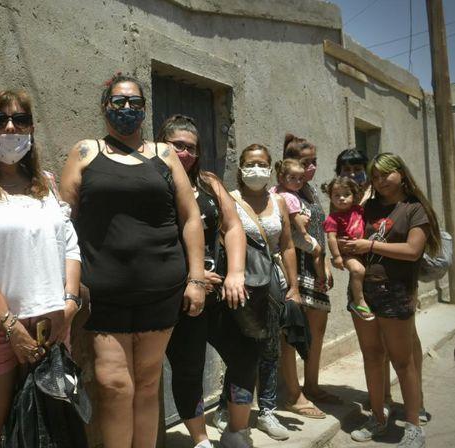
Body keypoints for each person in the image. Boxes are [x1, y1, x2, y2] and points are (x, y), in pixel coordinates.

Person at [59, 74, 206, 447]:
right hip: (104, 294)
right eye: (119, 101)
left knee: (147, 383)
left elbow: (190, 218)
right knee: (113, 385)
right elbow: (62, 221)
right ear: (105, 105)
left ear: (144, 109)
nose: (127, 109)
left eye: (135, 103)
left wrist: (196, 278)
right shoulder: (84, 152)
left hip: (163, 290)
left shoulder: (165, 154)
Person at [0, 89, 82, 448]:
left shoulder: (47, 183)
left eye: (21, 120)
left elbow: (70, 245)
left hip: (53, 324)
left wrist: (69, 305)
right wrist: (12, 328)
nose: (10, 127)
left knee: (48, 426)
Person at [156, 115, 253, 447]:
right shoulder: (153, 182)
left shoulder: (209, 182)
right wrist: (191, 276)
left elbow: (233, 226)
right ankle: (200, 439)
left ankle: (237, 430)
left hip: (220, 292)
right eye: (177, 146)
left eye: (191, 148)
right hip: (182, 296)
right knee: (188, 369)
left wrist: (236, 273)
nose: (185, 153)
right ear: (162, 145)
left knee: (245, 353)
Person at [339, 153, 441, 448]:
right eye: (375, 176)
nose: (380, 181)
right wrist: (343, 252)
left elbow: (412, 251)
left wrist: (369, 244)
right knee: (372, 357)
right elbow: (343, 230)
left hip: (395, 291)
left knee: (402, 360)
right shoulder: (366, 208)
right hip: (363, 292)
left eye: (385, 174)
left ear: (401, 173)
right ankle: (378, 419)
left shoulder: (414, 209)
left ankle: (412, 425)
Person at [224, 143, 301, 445]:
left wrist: (293, 287)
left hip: (272, 287)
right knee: (239, 351)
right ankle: (225, 407)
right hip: (240, 287)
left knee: (270, 350)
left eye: (262, 163)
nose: (256, 169)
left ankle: (267, 409)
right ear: (241, 168)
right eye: (250, 163)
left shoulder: (279, 201)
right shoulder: (230, 200)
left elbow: (288, 245)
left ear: (270, 168)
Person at [273, 134, 336, 417]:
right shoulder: (283, 193)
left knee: (317, 331)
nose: (311, 168)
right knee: (292, 334)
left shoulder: (309, 191)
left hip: (317, 270)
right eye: (305, 162)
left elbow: (320, 229)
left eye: (314, 162)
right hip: (295, 269)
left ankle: (312, 385)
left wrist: (328, 266)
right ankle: (293, 393)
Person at [322, 177, 371, 320]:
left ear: (354, 196)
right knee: (358, 270)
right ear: (330, 197)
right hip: (348, 254)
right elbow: (331, 238)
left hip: (364, 251)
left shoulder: (358, 210)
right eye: (337, 195)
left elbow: (367, 195)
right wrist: (337, 256)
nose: (341, 198)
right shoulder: (333, 218)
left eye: (346, 194)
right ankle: (359, 301)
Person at [273, 158, 325, 290]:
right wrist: (304, 234)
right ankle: (321, 278)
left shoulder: (273, 191)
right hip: (295, 233)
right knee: (319, 251)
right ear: (281, 177)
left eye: (301, 178)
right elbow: (296, 217)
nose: (298, 182)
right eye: (293, 178)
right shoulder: (289, 197)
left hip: (279, 233)